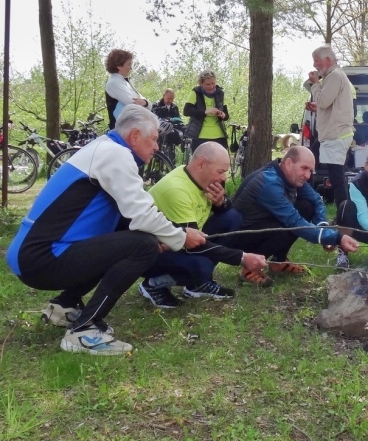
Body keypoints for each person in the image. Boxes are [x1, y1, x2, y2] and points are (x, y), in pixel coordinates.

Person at [5, 105, 207, 355]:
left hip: (31, 254)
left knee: (139, 241)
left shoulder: (102, 148)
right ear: (134, 136)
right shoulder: (116, 154)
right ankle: (84, 330)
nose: (156, 147)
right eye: (153, 139)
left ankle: (64, 306)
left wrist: (163, 235)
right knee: (142, 247)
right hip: (40, 258)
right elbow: (142, 214)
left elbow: (129, 217)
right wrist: (180, 236)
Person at [140, 142, 268, 308]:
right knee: (201, 265)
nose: (224, 178)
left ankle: (196, 284)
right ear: (201, 164)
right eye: (220, 171)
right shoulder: (177, 190)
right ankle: (153, 284)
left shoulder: (198, 178)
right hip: (151, 254)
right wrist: (242, 258)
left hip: (182, 242)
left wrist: (221, 204)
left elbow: (204, 228)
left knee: (232, 217)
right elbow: (191, 245)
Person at [231, 146, 359, 286]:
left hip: (262, 226)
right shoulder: (270, 182)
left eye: (310, 170)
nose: (308, 175)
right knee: (289, 223)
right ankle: (250, 268)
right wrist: (337, 238)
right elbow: (295, 222)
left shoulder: (289, 176)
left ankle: (278, 261)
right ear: (288, 164)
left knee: (306, 206)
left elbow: (316, 199)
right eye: (304, 168)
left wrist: (322, 225)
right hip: (241, 236)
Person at [305, 44, 355, 208]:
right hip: (332, 134)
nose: (314, 65)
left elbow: (323, 101)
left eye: (316, 61)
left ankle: (344, 215)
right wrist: (317, 108)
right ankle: (308, 200)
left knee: (336, 178)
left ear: (327, 60)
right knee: (307, 159)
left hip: (336, 136)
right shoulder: (336, 76)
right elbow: (328, 106)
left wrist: (315, 84)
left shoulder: (334, 76)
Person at [183, 70, 229, 151]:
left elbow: (226, 116)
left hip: (219, 135)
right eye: (208, 84)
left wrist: (222, 115)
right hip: (200, 135)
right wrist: (205, 112)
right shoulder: (196, 93)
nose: (211, 87)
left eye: (213, 83)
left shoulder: (220, 93)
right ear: (201, 84)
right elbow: (187, 111)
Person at [104, 49, 151, 129]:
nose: (131, 68)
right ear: (119, 66)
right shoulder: (114, 83)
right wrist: (145, 103)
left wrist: (145, 102)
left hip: (131, 128)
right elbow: (135, 105)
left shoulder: (125, 82)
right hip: (122, 131)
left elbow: (148, 105)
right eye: (129, 64)